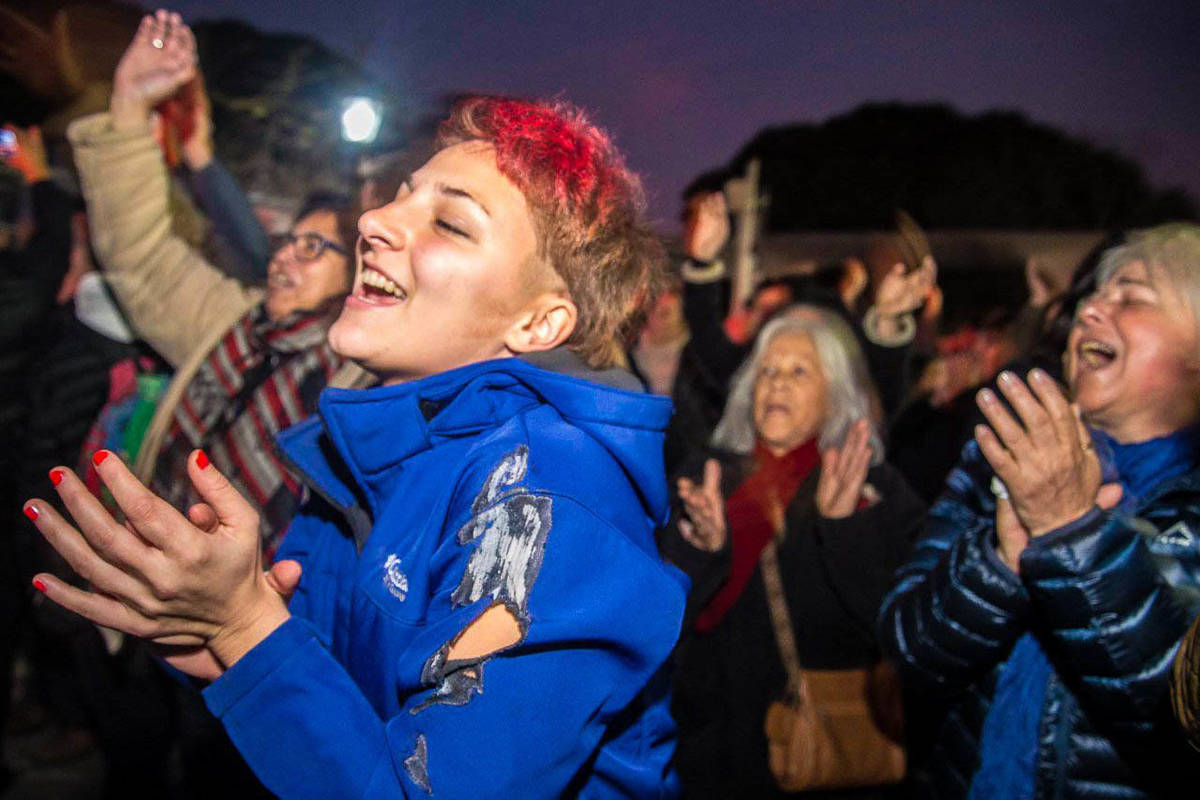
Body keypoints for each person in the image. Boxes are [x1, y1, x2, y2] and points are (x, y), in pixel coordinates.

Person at [26, 11, 688, 799]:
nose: (372, 222)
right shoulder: (378, 442)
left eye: (448, 223)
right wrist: (228, 642)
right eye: (401, 198)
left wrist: (247, 625)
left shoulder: (547, 508)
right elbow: (348, 695)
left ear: (539, 322)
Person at [878, 223, 1200, 798]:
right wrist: (1000, 562)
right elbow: (910, 653)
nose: (1092, 309)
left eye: (1132, 297)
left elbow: (1177, 723)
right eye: (1094, 295)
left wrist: (1072, 536)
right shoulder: (1001, 456)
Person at [66, 10, 366, 555]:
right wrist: (130, 109)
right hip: (130, 565)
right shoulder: (231, 321)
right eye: (289, 241)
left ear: (356, 277)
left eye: (314, 247)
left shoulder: (349, 385)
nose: (284, 259)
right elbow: (140, 255)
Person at [659, 307, 925, 799]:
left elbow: (900, 624)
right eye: (768, 371)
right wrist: (703, 550)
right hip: (711, 750)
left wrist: (846, 529)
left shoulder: (871, 487)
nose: (777, 384)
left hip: (822, 752)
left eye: (799, 372)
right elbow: (659, 612)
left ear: (835, 394)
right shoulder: (709, 477)